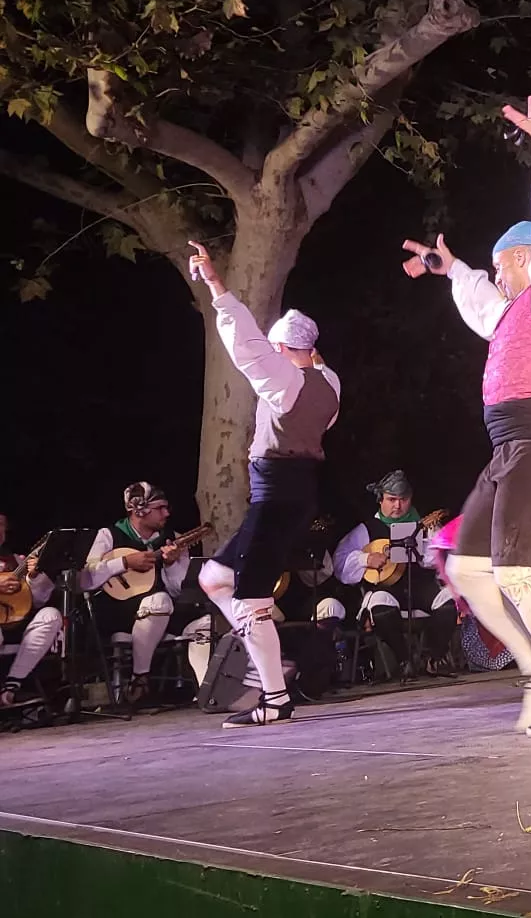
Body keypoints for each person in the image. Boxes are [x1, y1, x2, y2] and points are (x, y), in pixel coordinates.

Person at [399, 94, 531, 737]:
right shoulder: (510, 311)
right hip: (509, 449)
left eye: (499, 264)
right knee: (466, 568)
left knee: (514, 571)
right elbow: (480, 301)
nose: (495, 275)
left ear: (523, 258)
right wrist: (449, 267)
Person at [187, 242, 341, 727]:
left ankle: (274, 695)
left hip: (275, 496)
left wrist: (216, 286)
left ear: (282, 349)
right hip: (296, 491)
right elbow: (311, 374)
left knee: (250, 597)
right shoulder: (330, 384)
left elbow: (246, 345)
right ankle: (267, 656)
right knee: (215, 578)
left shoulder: (285, 380)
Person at [82, 484, 212, 705]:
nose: (167, 513)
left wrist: (171, 565)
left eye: (167, 507)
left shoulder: (173, 539)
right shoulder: (108, 535)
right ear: (138, 511)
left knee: (207, 623)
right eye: (160, 508)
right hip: (119, 613)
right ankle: (140, 677)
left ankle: (208, 692)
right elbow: (86, 578)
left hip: (165, 612)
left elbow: (178, 590)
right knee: (159, 601)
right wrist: (124, 562)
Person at [333, 472, 456, 677]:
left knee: (450, 598)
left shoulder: (424, 525)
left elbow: (446, 559)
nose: (398, 506)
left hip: (421, 588)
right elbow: (339, 563)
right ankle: (404, 660)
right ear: (380, 500)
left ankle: (432, 657)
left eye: (403, 500)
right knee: (379, 603)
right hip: (388, 589)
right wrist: (365, 559)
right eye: (391, 500)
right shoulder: (366, 530)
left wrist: (428, 548)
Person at [1, 517, 59, 708]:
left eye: (0, 524)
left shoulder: (18, 561)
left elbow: (39, 599)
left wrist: (34, 577)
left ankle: (11, 688)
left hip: (16, 623)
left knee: (50, 615)